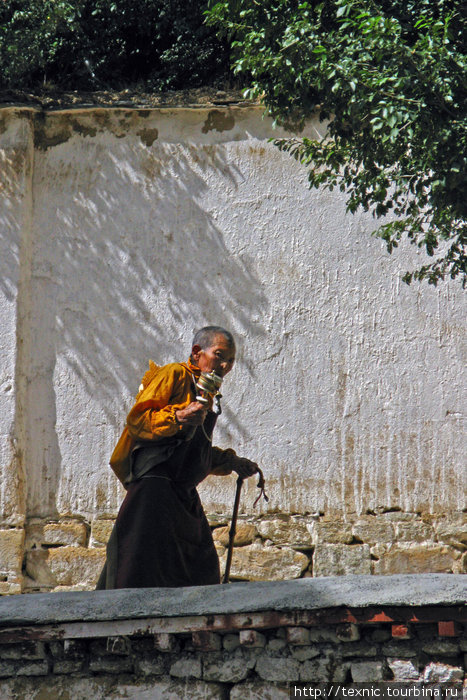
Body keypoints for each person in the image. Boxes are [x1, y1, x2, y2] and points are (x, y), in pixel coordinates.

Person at [96, 326, 258, 589]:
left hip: (182, 492)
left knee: (201, 566)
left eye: (231, 360)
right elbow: (138, 420)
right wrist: (178, 416)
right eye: (219, 355)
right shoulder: (174, 374)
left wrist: (231, 462)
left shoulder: (209, 394)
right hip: (154, 488)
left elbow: (195, 448)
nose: (225, 365)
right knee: (139, 566)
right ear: (197, 353)